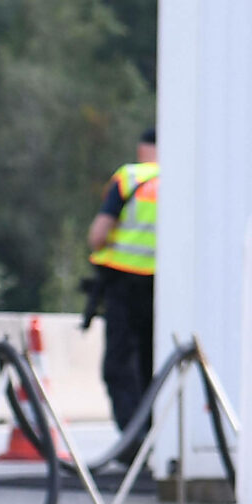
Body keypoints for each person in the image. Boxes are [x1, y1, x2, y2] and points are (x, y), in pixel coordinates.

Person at [86, 128, 159, 429]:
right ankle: (153, 437)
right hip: (164, 288)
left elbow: (97, 237)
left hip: (124, 285)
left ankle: (131, 439)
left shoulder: (130, 177)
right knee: (153, 363)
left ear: (143, 149)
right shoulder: (186, 178)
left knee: (120, 365)